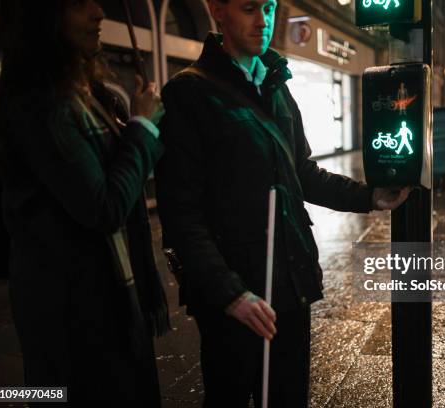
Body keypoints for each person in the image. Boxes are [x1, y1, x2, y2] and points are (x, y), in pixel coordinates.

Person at [154, 0, 411, 406]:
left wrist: (368, 196)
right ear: (217, 11)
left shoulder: (276, 86)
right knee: (230, 396)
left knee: (289, 395)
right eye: (250, 8)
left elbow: (303, 172)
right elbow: (182, 213)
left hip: (291, 283)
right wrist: (230, 293)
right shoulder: (189, 93)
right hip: (237, 296)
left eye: (270, 7)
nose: (264, 20)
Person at [0, 0, 169, 404]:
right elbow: (103, 208)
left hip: (107, 300)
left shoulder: (93, 98)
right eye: (77, 2)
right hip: (70, 313)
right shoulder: (39, 103)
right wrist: (142, 129)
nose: (98, 12)